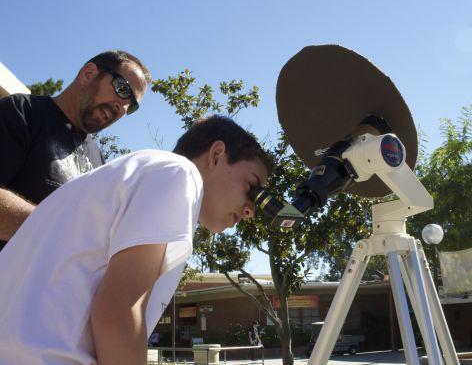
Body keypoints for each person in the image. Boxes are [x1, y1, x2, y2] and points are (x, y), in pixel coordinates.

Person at [0, 115, 273, 364]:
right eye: (252, 187)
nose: (251, 209)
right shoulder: (179, 173)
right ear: (216, 155)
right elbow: (117, 312)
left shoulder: (128, 176)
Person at [0, 50, 150, 250]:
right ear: (88, 74)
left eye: (131, 105)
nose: (121, 107)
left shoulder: (98, 161)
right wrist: (65, 235)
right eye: (123, 89)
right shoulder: (23, 112)